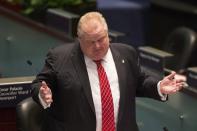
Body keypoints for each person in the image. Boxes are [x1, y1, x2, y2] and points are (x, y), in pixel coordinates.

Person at [31, 12, 185, 131]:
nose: (97, 46)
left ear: (108, 35)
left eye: (101, 39)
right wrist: (43, 94)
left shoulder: (126, 53)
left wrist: (158, 86)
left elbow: (140, 81)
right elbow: (39, 84)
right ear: (79, 39)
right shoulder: (60, 57)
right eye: (91, 42)